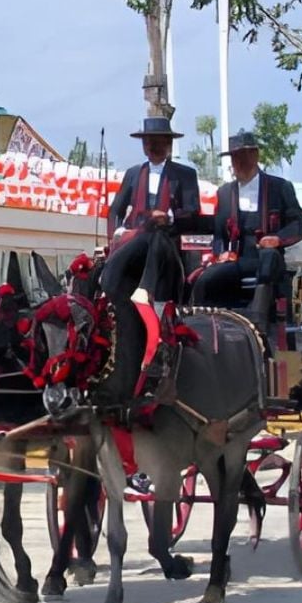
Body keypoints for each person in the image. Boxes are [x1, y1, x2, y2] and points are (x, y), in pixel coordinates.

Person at [103, 116, 206, 396]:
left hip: (167, 252)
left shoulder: (184, 175)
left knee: (157, 235)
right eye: (150, 142)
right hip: (135, 247)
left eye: (160, 141)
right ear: (144, 145)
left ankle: (145, 290)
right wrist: (115, 235)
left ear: (169, 144)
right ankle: (108, 285)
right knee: (143, 236)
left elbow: (193, 214)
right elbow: (115, 210)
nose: (154, 146)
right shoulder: (134, 174)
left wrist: (169, 217)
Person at [190, 130, 302, 335]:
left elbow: (299, 223)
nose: (240, 162)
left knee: (269, 258)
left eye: (244, 156)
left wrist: (277, 239)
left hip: (267, 259)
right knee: (205, 279)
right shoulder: (225, 193)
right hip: (238, 260)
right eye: (236, 157)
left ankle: (258, 320)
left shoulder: (279, 187)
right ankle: (200, 327)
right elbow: (219, 234)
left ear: (255, 156)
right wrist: (220, 254)